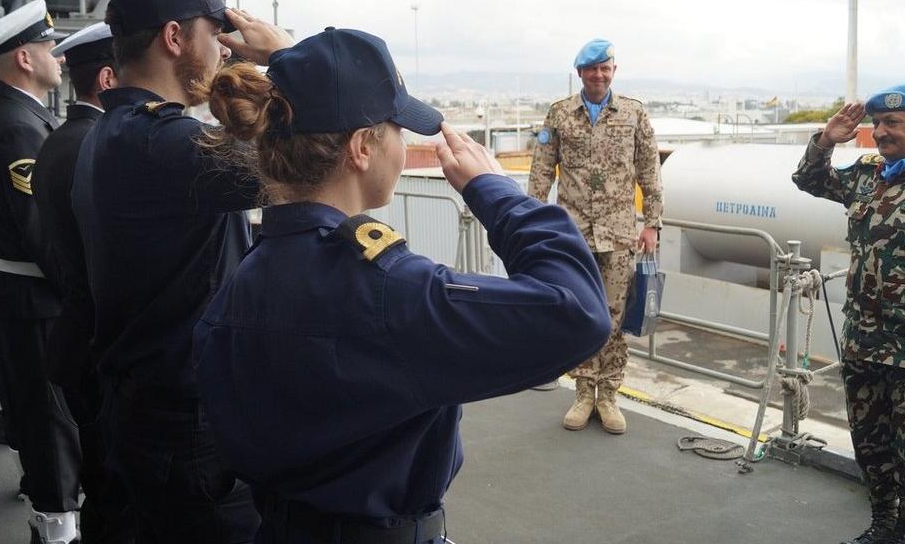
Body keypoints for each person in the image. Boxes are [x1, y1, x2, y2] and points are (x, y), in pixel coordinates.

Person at [191, 27, 611, 544]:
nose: (404, 143)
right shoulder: (390, 292)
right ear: (361, 147)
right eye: (396, 129)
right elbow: (578, 313)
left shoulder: (241, 282)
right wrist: (497, 193)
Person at [71, 0, 289, 543]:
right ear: (174, 37)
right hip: (187, 426)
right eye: (214, 33)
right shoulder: (166, 143)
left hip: (145, 408)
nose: (224, 49)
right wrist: (287, 57)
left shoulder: (111, 133)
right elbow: (305, 163)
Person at [791, 83, 905, 544]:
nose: (880, 132)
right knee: (870, 445)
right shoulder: (866, 174)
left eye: (892, 122)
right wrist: (826, 139)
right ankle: (881, 522)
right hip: (863, 342)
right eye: (876, 123)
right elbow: (809, 179)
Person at [0, 0, 82, 544]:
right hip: (34, 298)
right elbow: (42, 232)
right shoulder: (17, 126)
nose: (59, 57)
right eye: (49, 47)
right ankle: (57, 531)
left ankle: (49, 520)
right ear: (25, 58)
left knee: (38, 411)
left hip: (16, 290)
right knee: (49, 419)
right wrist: (84, 293)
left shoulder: (10, 115)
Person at [526, 38, 663, 435]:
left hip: (619, 235)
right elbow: (541, 171)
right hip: (573, 235)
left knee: (614, 317)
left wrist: (652, 223)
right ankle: (584, 392)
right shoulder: (560, 114)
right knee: (580, 313)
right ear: (580, 73)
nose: (599, 75)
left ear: (613, 71)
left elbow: (649, 170)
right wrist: (532, 221)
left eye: (605, 68)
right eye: (592, 69)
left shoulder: (634, 113)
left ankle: (609, 396)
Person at [33, 22, 133, 544]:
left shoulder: (58, 140)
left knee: (101, 482)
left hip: (77, 335)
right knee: (119, 491)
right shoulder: (98, 146)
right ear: (109, 79)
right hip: (102, 345)